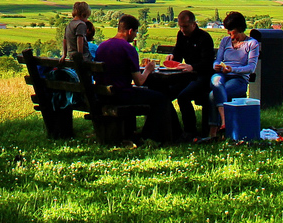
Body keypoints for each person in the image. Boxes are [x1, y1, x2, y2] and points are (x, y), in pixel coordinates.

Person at [94, 14, 175, 145]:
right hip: (121, 94)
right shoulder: (128, 48)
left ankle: (136, 134)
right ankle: (149, 136)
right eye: (136, 32)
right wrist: (149, 69)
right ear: (130, 31)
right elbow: (139, 81)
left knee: (150, 95)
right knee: (161, 99)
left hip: (103, 94)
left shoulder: (102, 46)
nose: (136, 36)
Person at [204, 11, 259, 140]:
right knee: (216, 82)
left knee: (213, 94)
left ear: (239, 29)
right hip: (222, 75)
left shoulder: (252, 44)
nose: (229, 33)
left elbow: (251, 67)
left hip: (238, 79)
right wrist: (216, 65)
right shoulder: (225, 41)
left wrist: (232, 69)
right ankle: (224, 120)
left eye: (231, 30)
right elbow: (218, 60)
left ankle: (213, 131)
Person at [169, 10, 216, 139]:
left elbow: (207, 63)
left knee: (183, 97)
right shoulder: (181, 35)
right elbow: (177, 53)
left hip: (203, 76)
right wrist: (172, 59)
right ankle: (172, 129)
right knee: (166, 92)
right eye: (180, 26)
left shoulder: (204, 38)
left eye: (185, 26)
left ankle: (190, 131)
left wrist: (193, 67)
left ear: (194, 24)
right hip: (187, 75)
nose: (182, 29)